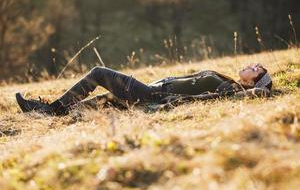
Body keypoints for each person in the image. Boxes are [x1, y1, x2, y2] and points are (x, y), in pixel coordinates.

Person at [16, 63, 272, 116]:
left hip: (152, 96)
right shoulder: (222, 78)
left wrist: (260, 92)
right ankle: (42, 111)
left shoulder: (228, 90)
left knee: (98, 73)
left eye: (256, 69)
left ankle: (49, 109)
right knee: (85, 108)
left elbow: (256, 95)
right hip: (151, 89)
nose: (251, 66)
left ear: (253, 81)